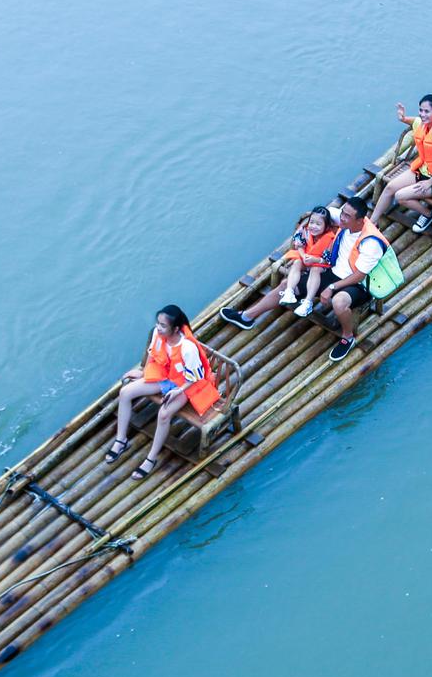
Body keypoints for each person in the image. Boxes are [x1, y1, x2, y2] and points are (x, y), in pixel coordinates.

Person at [105, 304, 220, 480]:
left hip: (185, 384)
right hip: (166, 377)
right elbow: (153, 354)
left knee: (164, 414)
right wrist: (143, 371)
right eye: (158, 323)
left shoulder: (187, 348)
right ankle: (121, 440)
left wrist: (178, 391)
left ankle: (151, 458)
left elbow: (195, 377)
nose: (158, 328)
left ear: (175, 329)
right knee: (126, 392)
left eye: (163, 325)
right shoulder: (158, 335)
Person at [218, 205, 337, 330]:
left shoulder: (331, 239)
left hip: (322, 270)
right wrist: (303, 254)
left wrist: (314, 260)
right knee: (290, 276)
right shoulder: (308, 232)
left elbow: (328, 259)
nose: (313, 225)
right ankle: (250, 314)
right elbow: (300, 242)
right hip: (308, 264)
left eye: (318, 224)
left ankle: (246, 317)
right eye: (312, 222)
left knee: (286, 283)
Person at [319, 195, 401, 363]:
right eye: (342, 213)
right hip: (335, 271)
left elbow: (359, 276)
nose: (342, 218)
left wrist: (332, 287)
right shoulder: (344, 220)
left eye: (347, 216)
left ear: (360, 221)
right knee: (290, 283)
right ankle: (250, 315)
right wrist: (305, 222)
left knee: (339, 303)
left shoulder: (371, 242)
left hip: (360, 284)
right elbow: (323, 213)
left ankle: (348, 337)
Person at [372, 93, 432, 234]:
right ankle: (372, 222)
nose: (422, 114)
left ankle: (428, 215)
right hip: (424, 172)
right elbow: (414, 121)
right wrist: (403, 118)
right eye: (420, 110)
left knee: (400, 196)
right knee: (390, 187)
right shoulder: (421, 124)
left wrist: (431, 181)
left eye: (427, 111)